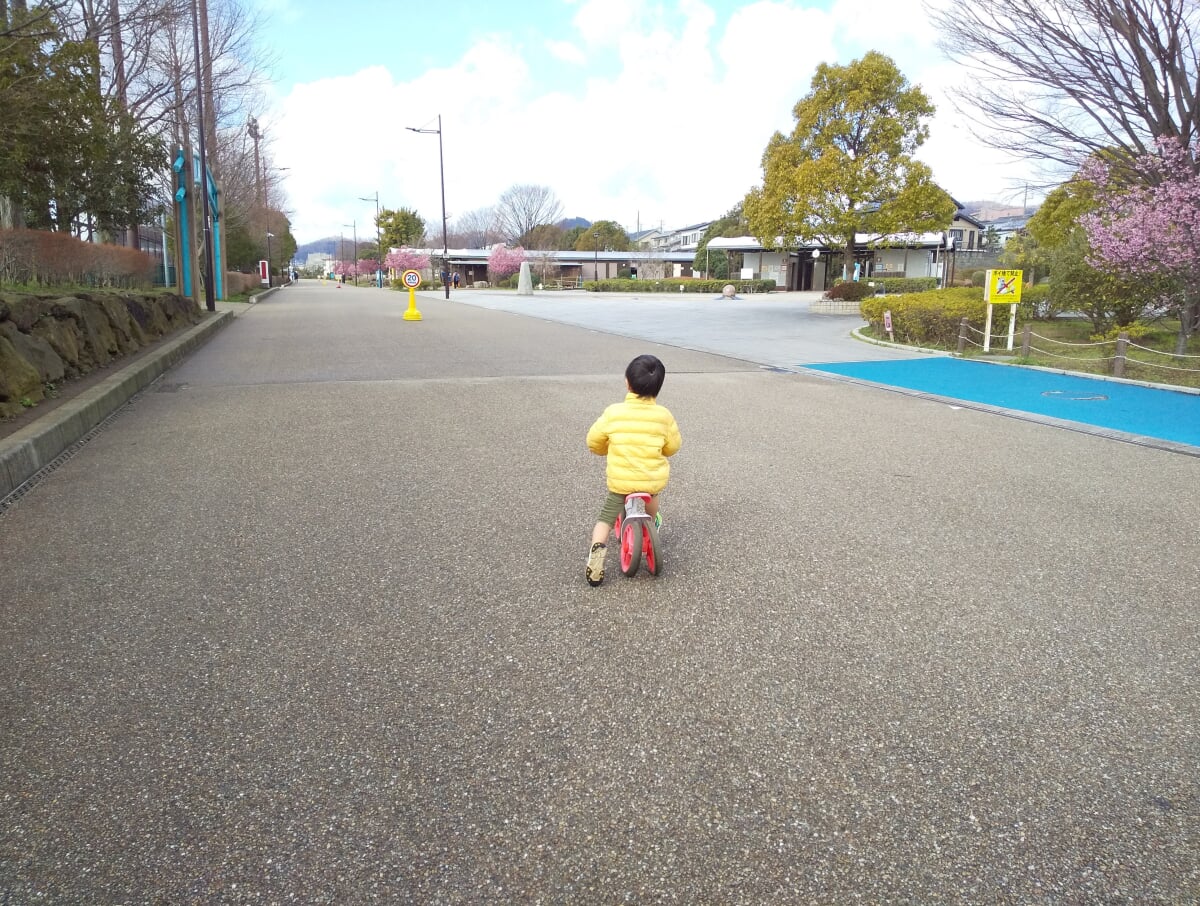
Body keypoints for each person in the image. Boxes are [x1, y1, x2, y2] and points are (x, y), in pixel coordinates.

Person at [584, 354, 682, 587]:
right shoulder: (664, 416)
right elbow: (673, 447)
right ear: (658, 388)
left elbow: (594, 440)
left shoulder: (614, 412)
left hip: (622, 482)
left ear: (628, 383)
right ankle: (651, 520)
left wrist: (602, 449)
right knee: (653, 499)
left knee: (605, 519)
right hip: (650, 481)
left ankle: (597, 553)